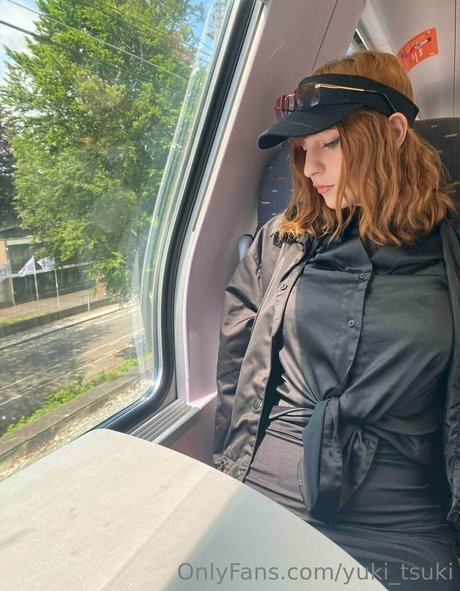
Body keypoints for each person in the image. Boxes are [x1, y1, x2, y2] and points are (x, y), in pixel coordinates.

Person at [213, 50, 460, 590]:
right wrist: (224, 474)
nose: (309, 168)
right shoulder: (281, 240)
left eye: (330, 143)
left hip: (404, 518)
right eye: (303, 149)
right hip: (269, 486)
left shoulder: (451, 250)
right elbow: (236, 366)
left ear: (393, 132)